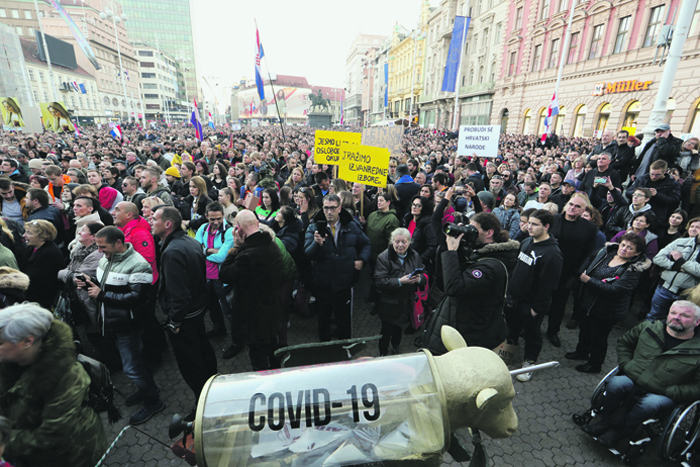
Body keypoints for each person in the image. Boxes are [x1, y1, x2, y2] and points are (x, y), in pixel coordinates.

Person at [581, 300, 700, 448]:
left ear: (697, 322)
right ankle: (605, 422)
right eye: (673, 313)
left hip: (663, 392)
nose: (676, 317)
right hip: (635, 378)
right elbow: (624, 343)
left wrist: (671, 391)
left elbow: (697, 387)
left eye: (684, 315)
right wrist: (626, 364)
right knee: (616, 383)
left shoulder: (697, 350)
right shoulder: (648, 328)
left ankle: (620, 432)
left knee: (650, 404)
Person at [0, 304, 107, 467]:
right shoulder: (8, 361)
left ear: (27, 341)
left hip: (71, 456)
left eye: (0, 342)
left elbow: (52, 434)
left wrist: (5, 444)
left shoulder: (67, 375)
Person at [80, 226, 164, 425]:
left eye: (103, 247)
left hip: (128, 325)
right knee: (138, 360)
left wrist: (101, 295)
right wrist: (90, 282)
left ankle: (153, 401)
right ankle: (147, 390)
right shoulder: (107, 259)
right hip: (114, 323)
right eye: (98, 247)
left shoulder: (138, 264)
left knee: (132, 367)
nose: (99, 251)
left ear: (119, 243)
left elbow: (136, 298)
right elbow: (108, 284)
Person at [422, 212, 519, 354]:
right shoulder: (480, 253)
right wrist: (448, 247)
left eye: (474, 229)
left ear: (489, 233)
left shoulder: (491, 267)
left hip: (471, 334)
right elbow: (444, 283)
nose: (470, 232)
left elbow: (453, 287)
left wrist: (452, 252)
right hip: (458, 320)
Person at [152, 206, 216, 414]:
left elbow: (178, 293)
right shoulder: (190, 241)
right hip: (197, 310)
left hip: (186, 318)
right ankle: (212, 390)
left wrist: (174, 322)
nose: (151, 222)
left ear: (167, 224)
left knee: (191, 363)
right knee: (204, 353)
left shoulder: (172, 252)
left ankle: (204, 404)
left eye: (154, 219)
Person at [567, 233, 650, 374]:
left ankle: (595, 364)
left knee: (598, 337)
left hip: (607, 309)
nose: (624, 249)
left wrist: (588, 280)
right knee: (585, 329)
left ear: (637, 253)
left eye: (630, 248)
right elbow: (590, 257)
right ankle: (581, 352)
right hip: (588, 302)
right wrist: (581, 272)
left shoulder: (633, 269)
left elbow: (615, 290)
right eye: (623, 244)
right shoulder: (607, 252)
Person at [219, 210, 283, 369]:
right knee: (273, 349)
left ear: (238, 229)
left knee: (258, 356)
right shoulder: (273, 245)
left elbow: (225, 274)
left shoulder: (247, 255)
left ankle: (264, 386)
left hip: (254, 317)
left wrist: (235, 248)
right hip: (272, 310)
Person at [506, 209, 563, 382]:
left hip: (530, 304)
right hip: (513, 299)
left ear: (546, 226)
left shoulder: (552, 254)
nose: (528, 227)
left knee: (532, 334)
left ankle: (529, 362)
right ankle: (506, 356)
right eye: (528, 223)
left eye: (534, 224)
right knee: (511, 329)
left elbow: (549, 286)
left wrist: (536, 308)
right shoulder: (527, 241)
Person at [305, 194, 371, 342]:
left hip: (344, 283)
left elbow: (366, 243)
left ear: (339, 208)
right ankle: (325, 349)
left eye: (332, 208)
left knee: (344, 320)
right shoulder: (314, 227)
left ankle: (345, 349)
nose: (329, 212)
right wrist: (317, 244)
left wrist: (362, 259)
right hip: (323, 284)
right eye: (326, 208)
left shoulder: (351, 226)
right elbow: (308, 253)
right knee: (324, 320)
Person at [546, 194, 599, 346]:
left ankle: (553, 331)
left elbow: (589, 253)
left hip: (568, 271)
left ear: (583, 210)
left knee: (559, 303)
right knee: (540, 298)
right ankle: (532, 327)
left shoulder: (589, 227)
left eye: (577, 206)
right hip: (547, 267)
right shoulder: (553, 219)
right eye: (571, 204)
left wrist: (577, 275)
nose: (572, 208)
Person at [374, 228, 426, 356]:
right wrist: (399, 281)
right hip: (389, 304)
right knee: (386, 330)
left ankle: (396, 346)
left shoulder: (415, 255)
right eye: (397, 241)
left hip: (406, 302)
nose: (400, 245)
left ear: (409, 242)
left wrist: (420, 279)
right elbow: (379, 281)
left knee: (398, 327)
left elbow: (424, 274)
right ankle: (383, 352)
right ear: (392, 242)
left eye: (404, 241)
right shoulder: (383, 257)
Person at [194, 203, 235, 345]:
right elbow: (196, 250)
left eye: (218, 218)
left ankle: (237, 340)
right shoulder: (203, 228)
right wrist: (211, 251)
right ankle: (219, 329)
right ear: (206, 217)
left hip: (222, 279)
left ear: (223, 215)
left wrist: (204, 251)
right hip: (206, 277)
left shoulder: (229, 232)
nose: (216, 222)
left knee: (229, 311)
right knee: (212, 307)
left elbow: (221, 258)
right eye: (212, 219)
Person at [647, 218, 700, 321]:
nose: (694, 229)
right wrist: (675, 266)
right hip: (664, 289)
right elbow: (657, 258)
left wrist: (680, 261)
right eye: (692, 226)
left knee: (676, 322)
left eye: (698, 227)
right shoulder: (680, 241)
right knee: (652, 317)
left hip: (686, 295)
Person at [20, 219, 63, 309]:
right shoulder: (33, 248)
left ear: (43, 236)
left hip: (39, 303)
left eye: (29, 233)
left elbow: (35, 280)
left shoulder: (50, 254)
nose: (24, 235)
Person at [626, 159, 681, 225]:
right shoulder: (643, 179)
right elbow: (628, 192)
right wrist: (641, 193)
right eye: (651, 174)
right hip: (637, 214)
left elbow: (674, 201)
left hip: (657, 216)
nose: (654, 177)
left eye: (657, 175)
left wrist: (657, 195)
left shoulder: (672, 184)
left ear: (665, 171)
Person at [404, 195, 437, 272]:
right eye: (413, 204)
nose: (414, 207)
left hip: (418, 264)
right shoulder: (407, 219)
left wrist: (419, 260)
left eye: (418, 205)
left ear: (424, 208)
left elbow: (432, 246)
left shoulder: (428, 225)